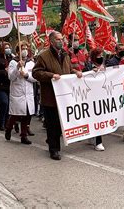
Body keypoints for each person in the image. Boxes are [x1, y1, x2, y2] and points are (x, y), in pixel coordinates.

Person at [33, 31, 83, 160]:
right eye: (58, 39)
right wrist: (51, 76)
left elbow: (68, 69)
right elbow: (36, 73)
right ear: (51, 41)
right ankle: (54, 150)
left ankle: (51, 140)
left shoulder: (65, 55)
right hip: (50, 98)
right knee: (52, 124)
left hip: (64, 97)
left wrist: (75, 72)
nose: (61, 41)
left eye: (62, 39)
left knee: (61, 125)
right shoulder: (43, 56)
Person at [5, 42, 37, 145]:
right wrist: (17, 68)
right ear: (18, 51)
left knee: (26, 115)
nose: (25, 50)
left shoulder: (31, 63)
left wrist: (27, 76)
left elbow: (35, 78)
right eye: (22, 48)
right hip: (18, 93)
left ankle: (24, 136)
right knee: (15, 114)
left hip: (28, 93)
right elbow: (11, 77)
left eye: (26, 48)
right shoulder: (13, 63)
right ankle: (9, 128)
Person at [83, 47, 108, 151]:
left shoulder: (104, 66)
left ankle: (97, 140)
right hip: (91, 96)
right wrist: (90, 72)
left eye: (102, 55)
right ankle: (95, 139)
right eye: (98, 56)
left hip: (102, 95)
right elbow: (83, 75)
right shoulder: (88, 65)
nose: (100, 57)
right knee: (93, 117)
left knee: (99, 118)